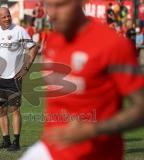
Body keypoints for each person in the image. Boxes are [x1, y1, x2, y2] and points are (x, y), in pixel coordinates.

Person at [20, 0, 144, 159]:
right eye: (48, 5)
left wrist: (93, 130)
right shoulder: (54, 40)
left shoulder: (114, 45)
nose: (53, 13)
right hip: (50, 150)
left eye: (61, 5)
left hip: (96, 154)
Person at [0, 7, 39, 151]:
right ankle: (5, 140)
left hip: (14, 78)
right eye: (4, 17)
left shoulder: (19, 30)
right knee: (1, 109)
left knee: (15, 110)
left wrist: (25, 68)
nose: (7, 19)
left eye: (8, 16)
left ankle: (16, 142)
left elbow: (33, 48)